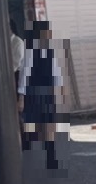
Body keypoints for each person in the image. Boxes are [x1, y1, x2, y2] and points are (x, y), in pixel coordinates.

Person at [18, 20, 66, 172]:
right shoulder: (39, 50)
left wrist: (21, 95)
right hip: (41, 92)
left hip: (40, 92)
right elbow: (26, 74)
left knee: (39, 122)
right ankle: (45, 154)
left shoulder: (39, 50)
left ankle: (39, 152)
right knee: (42, 124)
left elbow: (26, 74)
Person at [0, 17, 25, 150]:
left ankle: (23, 141)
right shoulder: (3, 43)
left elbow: (16, 64)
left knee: (15, 112)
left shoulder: (17, 42)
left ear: (10, 28)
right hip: (4, 78)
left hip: (13, 77)